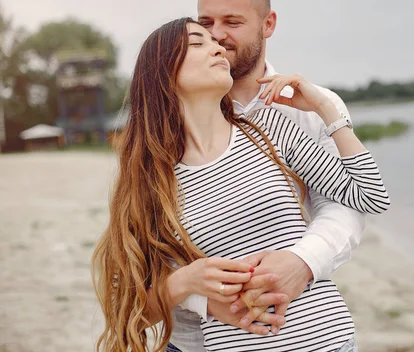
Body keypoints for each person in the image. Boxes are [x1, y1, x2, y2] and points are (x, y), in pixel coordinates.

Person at [91, 18, 389, 352]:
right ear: (163, 72)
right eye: (198, 43)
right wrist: (184, 283)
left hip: (330, 342)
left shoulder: (269, 131)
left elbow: (371, 197)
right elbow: (126, 307)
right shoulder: (153, 179)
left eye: (215, 42)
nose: (218, 46)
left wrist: (327, 109)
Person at [169, 0, 368, 344]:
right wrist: (198, 296)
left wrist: (302, 262)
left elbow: (346, 204)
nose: (217, 35)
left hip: (296, 330)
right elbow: (144, 248)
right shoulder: (171, 120)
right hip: (190, 339)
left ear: (268, 24)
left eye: (232, 21)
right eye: (206, 21)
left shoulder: (305, 109)